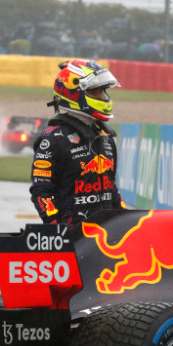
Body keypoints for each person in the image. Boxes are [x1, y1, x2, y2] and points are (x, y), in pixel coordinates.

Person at [30, 59, 124, 224]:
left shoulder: (105, 136)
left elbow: (110, 188)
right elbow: (41, 192)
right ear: (74, 93)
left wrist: (124, 219)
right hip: (74, 236)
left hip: (107, 235)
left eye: (103, 91)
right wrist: (57, 228)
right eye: (95, 92)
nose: (103, 97)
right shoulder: (53, 139)